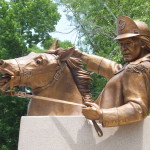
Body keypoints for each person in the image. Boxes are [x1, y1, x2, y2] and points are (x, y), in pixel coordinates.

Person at [73, 16, 150, 127]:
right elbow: (115, 70)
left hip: (115, 137)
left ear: (143, 43)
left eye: (128, 43)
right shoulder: (139, 65)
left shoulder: (135, 69)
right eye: (121, 44)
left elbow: (138, 108)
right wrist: (81, 56)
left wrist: (101, 114)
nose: (123, 49)